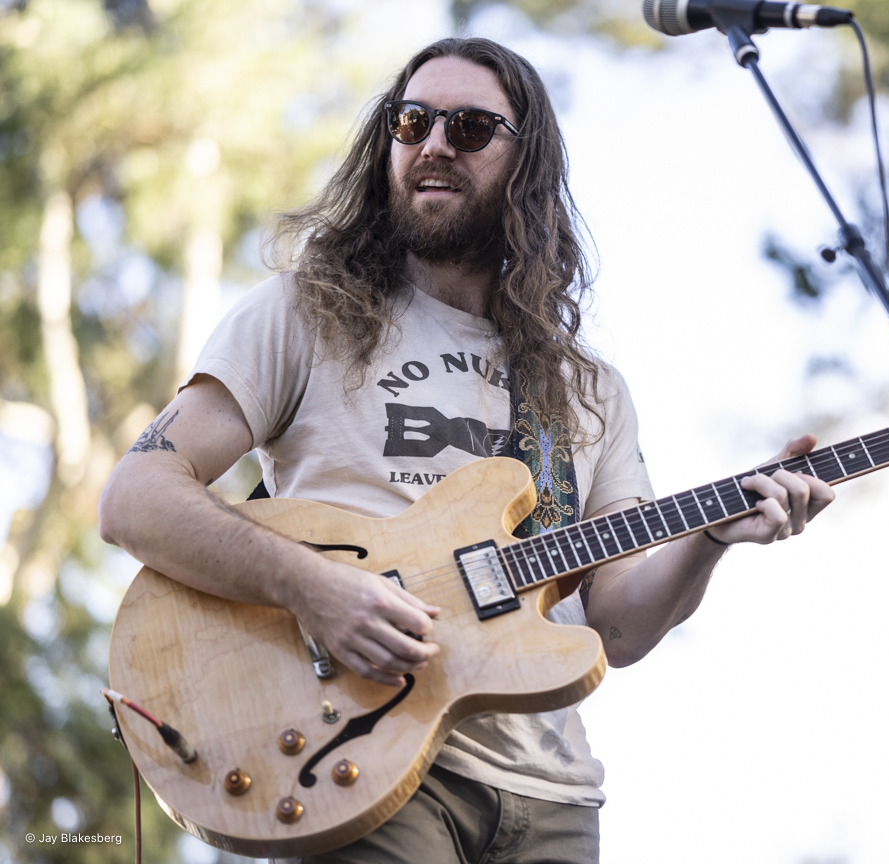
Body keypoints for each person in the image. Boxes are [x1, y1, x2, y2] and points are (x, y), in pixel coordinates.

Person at [97, 37, 834, 864]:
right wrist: (312, 589)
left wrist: (709, 537)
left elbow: (617, 629)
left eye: (472, 128)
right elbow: (134, 498)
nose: (434, 144)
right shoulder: (305, 313)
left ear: (528, 164)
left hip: (554, 798)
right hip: (356, 758)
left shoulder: (589, 390)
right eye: (412, 122)